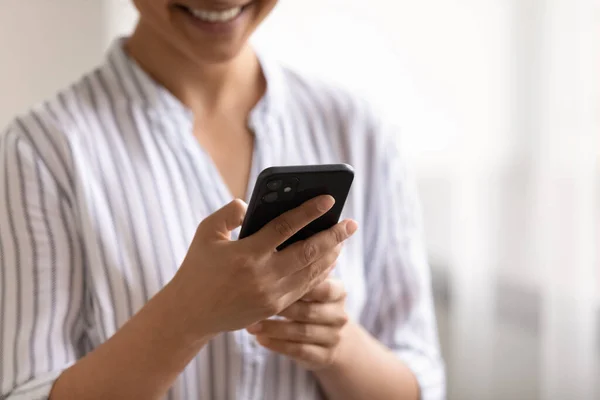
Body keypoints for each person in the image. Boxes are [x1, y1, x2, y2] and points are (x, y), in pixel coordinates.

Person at [0, 1, 445, 399]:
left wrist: (337, 344)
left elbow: (421, 382)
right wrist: (187, 317)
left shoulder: (356, 127)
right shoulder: (44, 150)